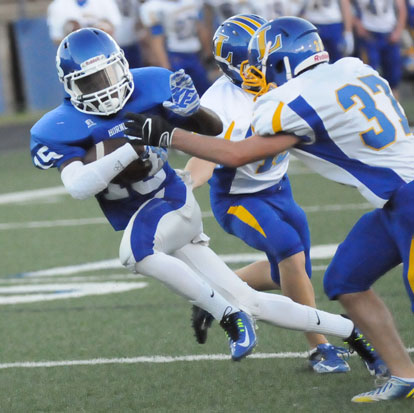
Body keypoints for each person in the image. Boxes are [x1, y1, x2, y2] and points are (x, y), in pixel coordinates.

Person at [31, 28, 383, 367]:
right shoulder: (60, 124)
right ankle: (350, 332)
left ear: (123, 64)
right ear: (69, 86)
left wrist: (193, 111)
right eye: (92, 82)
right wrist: (129, 148)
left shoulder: (151, 82)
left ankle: (227, 316)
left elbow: (212, 131)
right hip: (155, 216)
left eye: (109, 74)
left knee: (135, 254)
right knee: (253, 301)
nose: (105, 88)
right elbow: (78, 186)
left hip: (171, 201)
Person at [123, 16, 414, 402]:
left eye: (264, 64)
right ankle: (394, 370)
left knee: (305, 267)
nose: (259, 73)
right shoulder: (352, 67)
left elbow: (238, 151)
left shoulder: (290, 101)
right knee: (340, 279)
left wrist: (167, 134)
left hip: (404, 200)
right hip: (384, 203)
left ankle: (230, 300)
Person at [186, 13, 352, 374]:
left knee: (288, 275)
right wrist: (187, 184)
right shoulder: (219, 104)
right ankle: (320, 348)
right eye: (253, 59)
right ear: (232, 66)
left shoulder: (281, 83)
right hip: (239, 199)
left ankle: (211, 292)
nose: (263, 65)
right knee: (289, 250)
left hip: (280, 189)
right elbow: (205, 156)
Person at [139, 0, 212, 94]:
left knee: (205, 93)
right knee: (180, 97)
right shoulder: (154, 7)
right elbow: (157, 39)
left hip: (195, 53)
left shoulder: (193, 2)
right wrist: (165, 66)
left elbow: (201, 27)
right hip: (174, 55)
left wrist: (208, 52)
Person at [352, 0, 407, 98]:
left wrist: (398, 31)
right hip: (369, 35)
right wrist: (357, 23)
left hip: (389, 34)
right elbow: (347, 4)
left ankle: (393, 109)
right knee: (367, 77)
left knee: (393, 80)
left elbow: (401, 8)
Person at [47, 0, 122, 45]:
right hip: (76, 55)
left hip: (104, 50)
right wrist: (74, 35)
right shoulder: (57, 5)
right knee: (71, 25)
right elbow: (56, 38)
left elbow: (114, 27)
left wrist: (98, 31)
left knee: (103, 27)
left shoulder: (105, 2)